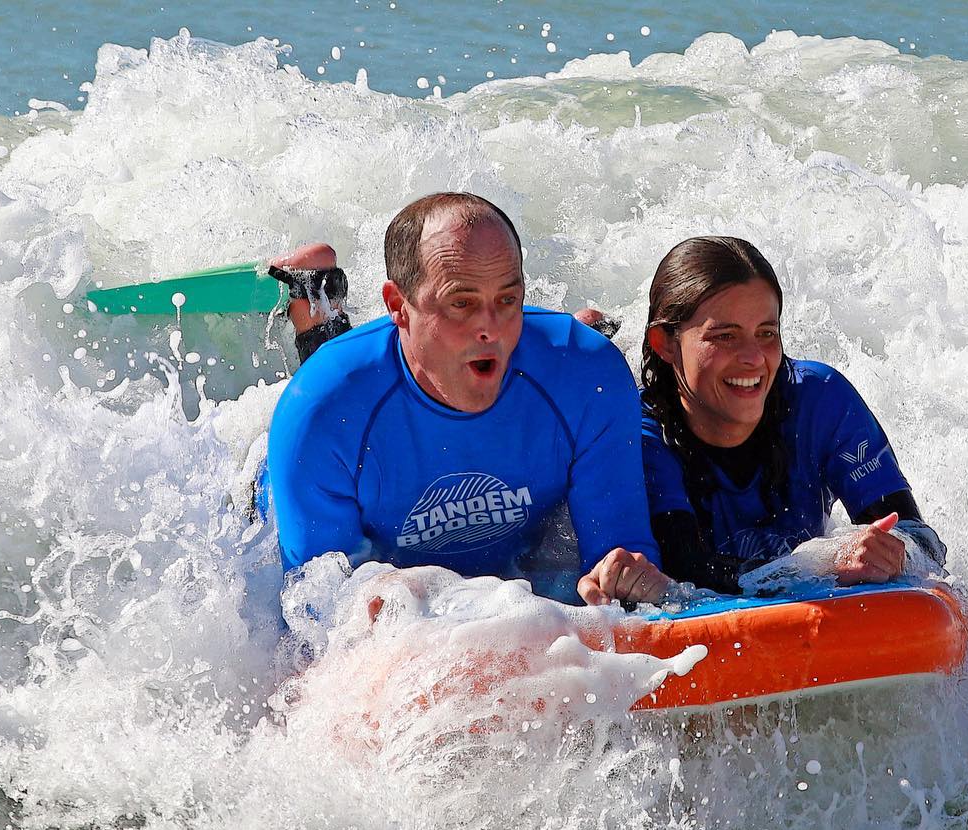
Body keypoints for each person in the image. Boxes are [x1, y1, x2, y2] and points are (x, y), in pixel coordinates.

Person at [262, 192, 671, 606]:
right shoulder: (317, 414)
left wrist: (624, 580)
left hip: (538, 372)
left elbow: (620, 562)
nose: (491, 329)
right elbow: (318, 619)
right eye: (462, 304)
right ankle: (311, 301)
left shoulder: (589, 379)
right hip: (314, 452)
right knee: (341, 387)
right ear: (397, 304)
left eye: (508, 300)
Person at [639, 236, 946, 595]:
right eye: (725, 336)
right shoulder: (642, 433)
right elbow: (683, 570)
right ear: (666, 344)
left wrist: (895, 554)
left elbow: (922, 542)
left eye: (766, 333)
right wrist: (820, 566)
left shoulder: (820, 399)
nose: (754, 358)